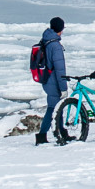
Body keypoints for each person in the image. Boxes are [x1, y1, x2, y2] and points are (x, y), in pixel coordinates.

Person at [35, 17, 67, 145]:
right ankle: (42, 136)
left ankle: (62, 132)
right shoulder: (55, 45)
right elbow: (60, 69)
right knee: (53, 108)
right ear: (61, 29)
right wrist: (63, 88)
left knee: (56, 107)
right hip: (53, 81)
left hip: (47, 79)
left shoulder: (46, 40)